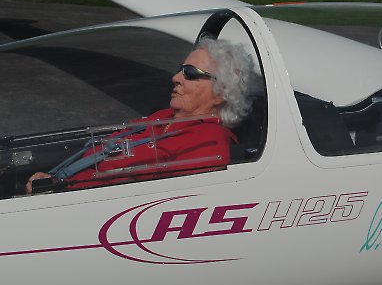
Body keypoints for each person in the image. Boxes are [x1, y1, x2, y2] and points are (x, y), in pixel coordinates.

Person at [26, 38, 256, 193]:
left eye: (190, 73)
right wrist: (52, 181)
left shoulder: (209, 145)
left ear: (221, 92)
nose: (176, 78)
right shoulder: (164, 117)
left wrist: (58, 195)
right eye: (180, 69)